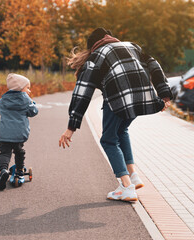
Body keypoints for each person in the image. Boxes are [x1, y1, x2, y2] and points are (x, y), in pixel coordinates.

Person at [59, 27, 173, 202]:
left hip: (118, 100)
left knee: (108, 139)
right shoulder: (132, 46)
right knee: (121, 131)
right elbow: (155, 65)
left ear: (92, 46)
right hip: (141, 97)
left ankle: (126, 187)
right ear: (110, 38)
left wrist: (71, 127)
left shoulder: (95, 57)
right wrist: (164, 95)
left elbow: (82, 93)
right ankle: (133, 176)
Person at [0, 73, 38, 191]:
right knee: (19, 152)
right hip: (19, 134)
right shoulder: (26, 101)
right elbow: (33, 112)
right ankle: (19, 171)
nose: (29, 90)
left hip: (4, 134)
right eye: (27, 87)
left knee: (4, 153)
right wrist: (33, 104)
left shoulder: (4, 99)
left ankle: (3, 170)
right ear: (20, 88)